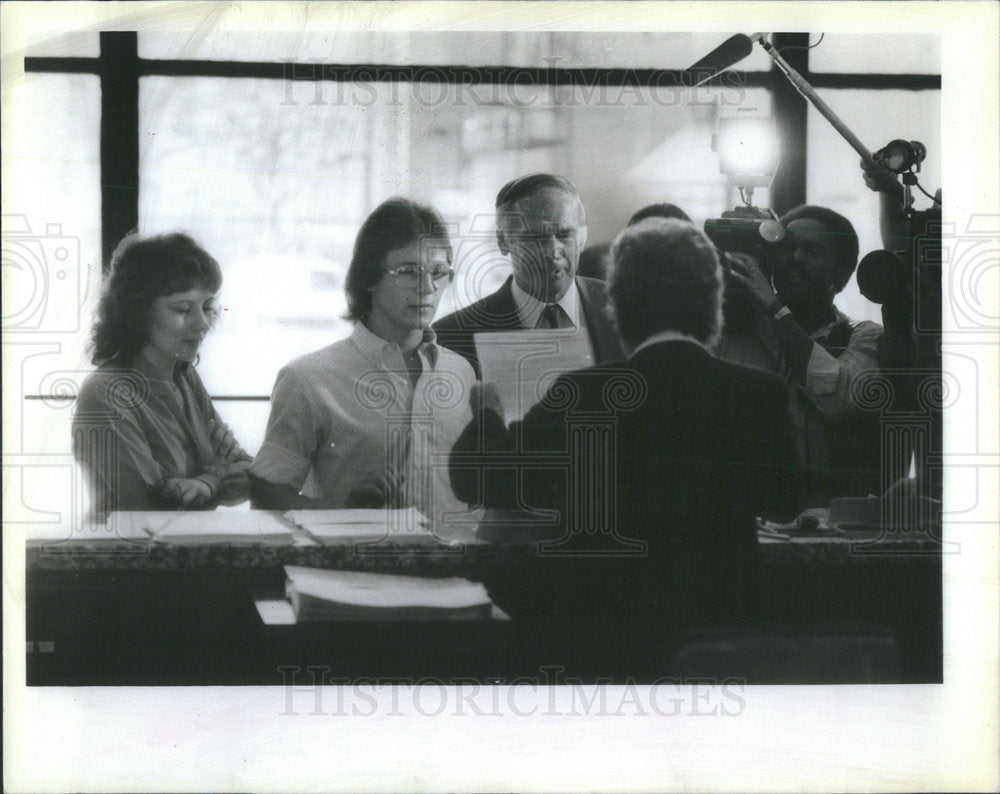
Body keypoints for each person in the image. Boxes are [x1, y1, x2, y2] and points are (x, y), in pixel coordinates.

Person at [451, 218, 802, 674]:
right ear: (713, 305)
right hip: (719, 641)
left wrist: (488, 416)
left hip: (601, 646)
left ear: (617, 307)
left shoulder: (582, 393)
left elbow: (479, 481)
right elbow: (785, 500)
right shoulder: (760, 393)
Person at [249, 198, 478, 531]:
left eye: (439, 272)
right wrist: (337, 513)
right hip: (351, 573)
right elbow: (265, 491)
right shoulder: (310, 378)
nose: (428, 288)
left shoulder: (462, 372)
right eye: (408, 271)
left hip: (451, 572)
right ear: (370, 277)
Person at [73, 233, 252, 518]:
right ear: (138, 314)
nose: (202, 323)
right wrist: (217, 479)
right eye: (183, 309)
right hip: (126, 555)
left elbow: (245, 470)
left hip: (186, 549)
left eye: (207, 307)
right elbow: (154, 505)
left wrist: (205, 484)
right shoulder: (106, 393)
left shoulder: (185, 377)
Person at [720, 204, 886, 501]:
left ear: (843, 271)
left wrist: (774, 309)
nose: (795, 258)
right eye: (787, 248)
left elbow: (838, 398)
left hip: (826, 515)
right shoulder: (734, 331)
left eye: (812, 250)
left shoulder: (865, 337)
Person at [433, 173, 624, 376]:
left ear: (582, 237)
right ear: (503, 241)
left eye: (564, 234)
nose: (552, 250)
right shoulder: (451, 337)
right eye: (535, 237)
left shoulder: (625, 308)